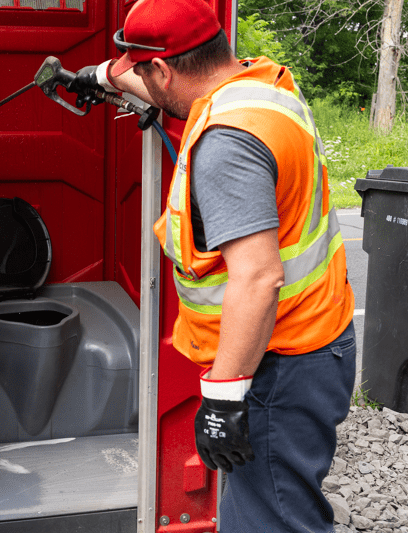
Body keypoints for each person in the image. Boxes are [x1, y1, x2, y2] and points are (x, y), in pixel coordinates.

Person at [73, 0, 356, 531]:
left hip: (282, 363)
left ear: (162, 68)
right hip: (316, 339)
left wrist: (224, 399)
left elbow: (258, 276)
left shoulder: (226, 145)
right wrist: (96, 77)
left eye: (141, 70)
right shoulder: (263, 87)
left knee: (273, 519)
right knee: (268, 504)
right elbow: (157, 82)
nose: (135, 77)